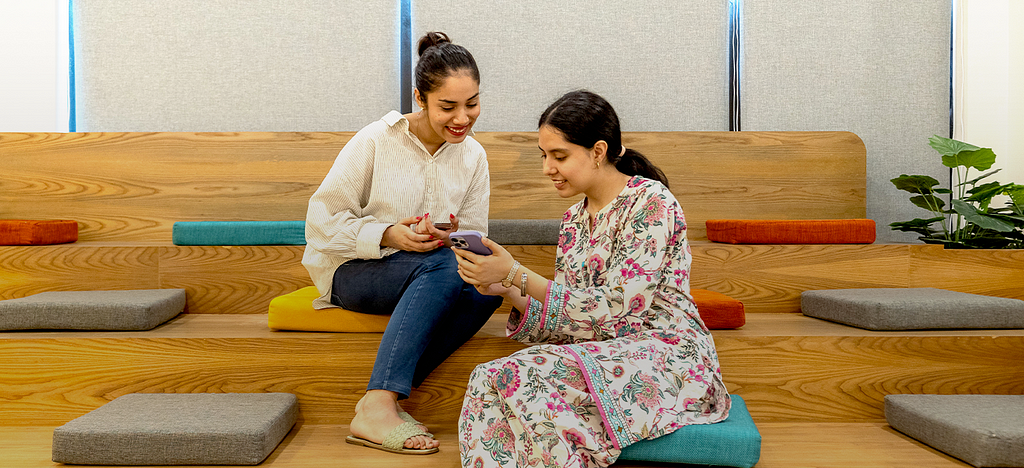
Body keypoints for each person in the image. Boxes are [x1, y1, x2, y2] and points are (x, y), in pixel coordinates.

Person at [452, 90, 731, 467]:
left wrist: (517, 273)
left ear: (598, 151)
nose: (547, 167)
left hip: (665, 355)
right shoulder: (572, 221)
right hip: (602, 350)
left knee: (523, 376)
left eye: (559, 155)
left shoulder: (652, 202)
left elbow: (617, 306)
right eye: (544, 155)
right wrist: (506, 288)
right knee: (489, 377)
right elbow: (572, 319)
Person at [302, 31, 503, 455]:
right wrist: (389, 234)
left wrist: (453, 239)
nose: (462, 118)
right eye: (448, 107)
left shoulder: (474, 157)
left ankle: (381, 400)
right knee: (444, 268)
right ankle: (378, 405)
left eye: (472, 104)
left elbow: (473, 233)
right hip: (350, 271)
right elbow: (320, 222)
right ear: (420, 98)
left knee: (487, 290)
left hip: (426, 273)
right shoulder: (377, 140)